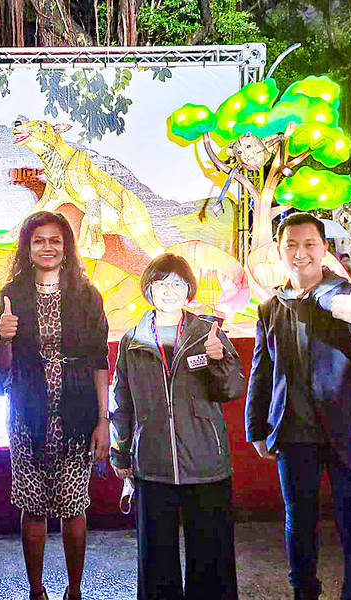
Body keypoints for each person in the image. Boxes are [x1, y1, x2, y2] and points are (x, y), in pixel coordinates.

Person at [245, 212, 351, 600]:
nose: (300, 253)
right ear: (279, 252)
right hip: (294, 432)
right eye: (291, 245)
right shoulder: (270, 308)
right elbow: (261, 371)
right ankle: (304, 592)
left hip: (350, 429)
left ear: (324, 249)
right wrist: (256, 428)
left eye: (309, 244)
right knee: (298, 523)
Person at [0, 211, 110, 600]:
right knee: (33, 504)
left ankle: (75, 590)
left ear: (66, 247)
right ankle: (36, 591)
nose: (47, 247)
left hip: (77, 411)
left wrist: (103, 420)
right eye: (39, 240)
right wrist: (4, 339)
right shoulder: (12, 295)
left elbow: (99, 361)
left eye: (55, 240)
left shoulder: (86, 294)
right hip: (26, 413)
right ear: (28, 247)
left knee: (75, 505)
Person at [110, 253, 245, 600]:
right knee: (156, 563)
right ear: (148, 289)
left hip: (206, 465)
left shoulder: (207, 333)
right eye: (160, 283)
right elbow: (120, 400)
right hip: (152, 466)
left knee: (211, 561)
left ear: (188, 290)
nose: (169, 291)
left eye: (177, 284)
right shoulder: (133, 339)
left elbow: (231, 389)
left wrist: (220, 359)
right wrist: (120, 451)